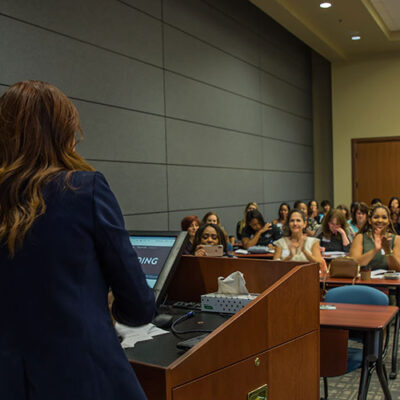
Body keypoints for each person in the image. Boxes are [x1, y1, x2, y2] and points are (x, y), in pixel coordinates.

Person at [0, 80, 156, 399]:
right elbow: (140, 306)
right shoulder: (84, 189)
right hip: (83, 377)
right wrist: (107, 309)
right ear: (64, 134)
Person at [349, 204, 400, 271]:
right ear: (370, 220)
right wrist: (375, 250)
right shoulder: (360, 237)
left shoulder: (396, 239)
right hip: (365, 279)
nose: (380, 220)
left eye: (384, 217)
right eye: (376, 217)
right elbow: (353, 265)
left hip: (388, 280)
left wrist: (388, 251)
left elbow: (398, 269)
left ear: (388, 221)